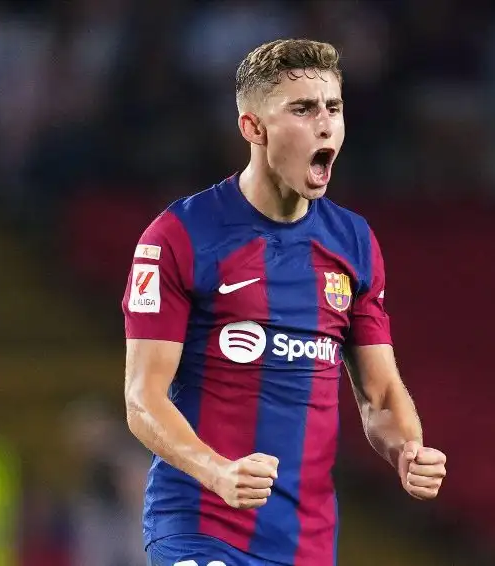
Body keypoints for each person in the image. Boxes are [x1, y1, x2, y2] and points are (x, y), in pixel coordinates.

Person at [122, 39, 447, 566]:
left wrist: (407, 450)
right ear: (253, 128)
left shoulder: (354, 243)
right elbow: (143, 400)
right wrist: (216, 472)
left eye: (333, 108)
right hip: (201, 526)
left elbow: (381, 396)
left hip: (306, 544)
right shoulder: (180, 236)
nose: (324, 125)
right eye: (302, 109)